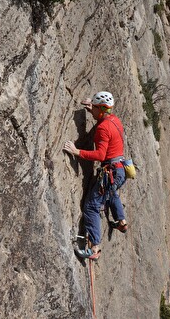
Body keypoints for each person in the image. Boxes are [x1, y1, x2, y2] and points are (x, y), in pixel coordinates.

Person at [64, 91, 128, 261]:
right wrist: (94, 107)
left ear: (101, 109)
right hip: (119, 169)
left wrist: (77, 152)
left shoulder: (102, 128)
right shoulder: (114, 120)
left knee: (92, 206)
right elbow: (103, 120)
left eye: (94, 108)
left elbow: (100, 155)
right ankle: (121, 221)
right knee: (111, 194)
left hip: (111, 171)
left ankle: (95, 248)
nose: (91, 111)